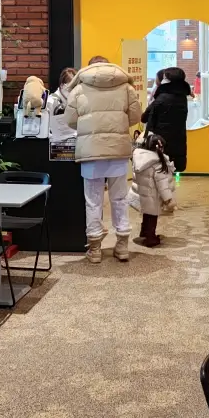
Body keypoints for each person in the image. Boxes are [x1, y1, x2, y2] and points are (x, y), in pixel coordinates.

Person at [64, 56, 142, 264]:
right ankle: (122, 245)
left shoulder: (78, 89)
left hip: (90, 151)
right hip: (118, 150)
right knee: (120, 198)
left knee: (93, 200)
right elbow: (135, 116)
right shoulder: (126, 87)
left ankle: (95, 248)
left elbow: (70, 120)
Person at [141, 66, 191, 173]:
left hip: (160, 142)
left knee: (160, 171)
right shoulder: (182, 97)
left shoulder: (162, 98)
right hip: (177, 141)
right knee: (170, 170)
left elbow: (145, 118)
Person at [131, 132, 176, 247]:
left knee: (147, 215)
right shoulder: (158, 163)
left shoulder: (140, 159)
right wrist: (168, 199)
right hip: (153, 197)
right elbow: (162, 184)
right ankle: (150, 238)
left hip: (144, 196)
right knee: (152, 217)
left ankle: (144, 232)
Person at [45, 67, 77, 140]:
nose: (74, 92)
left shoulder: (76, 101)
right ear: (62, 85)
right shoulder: (51, 102)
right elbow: (47, 131)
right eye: (71, 88)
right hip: (56, 143)